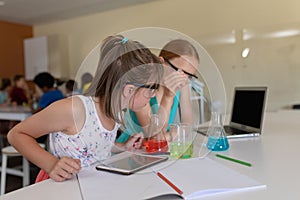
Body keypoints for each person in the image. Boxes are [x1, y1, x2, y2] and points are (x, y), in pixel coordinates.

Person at [7, 35, 163, 182]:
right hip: (62, 185)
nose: (154, 94)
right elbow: (16, 134)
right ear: (128, 90)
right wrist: (51, 164)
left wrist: (122, 147)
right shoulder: (75, 110)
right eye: (152, 88)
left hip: (91, 185)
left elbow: (96, 146)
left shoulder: (115, 112)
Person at [117, 39, 199, 143]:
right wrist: (168, 97)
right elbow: (154, 135)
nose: (183, 78)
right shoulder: (146, 85)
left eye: (189, 76)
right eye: (180, 71)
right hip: (131, 146)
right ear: (161, 62)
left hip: (161, 146)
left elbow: (188, 124)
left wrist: (169, 136)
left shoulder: (183, 83)